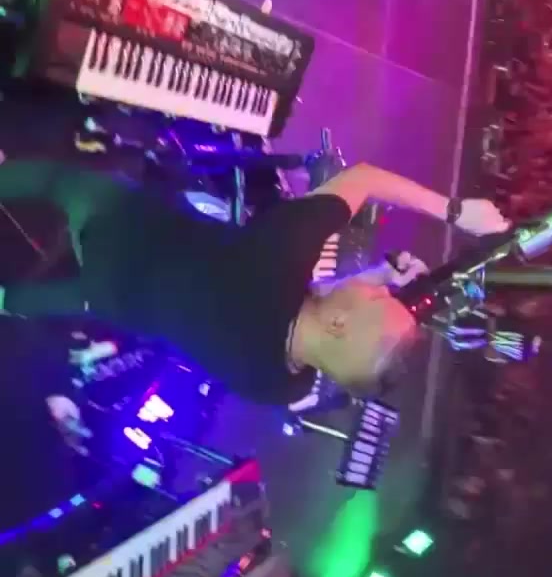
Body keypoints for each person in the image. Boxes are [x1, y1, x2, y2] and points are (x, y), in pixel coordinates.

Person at [0, 157, 509, 404]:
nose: (380, 289)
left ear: (338, 322)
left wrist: (456, 211)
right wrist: (376, 275)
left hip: (115, 230)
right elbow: (308, 316)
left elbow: (366, 177)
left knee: (58, 181)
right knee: (35, 298)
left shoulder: (282, 254)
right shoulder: (284, 385)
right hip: (112, 300)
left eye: (378, 297)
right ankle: (9, 299)